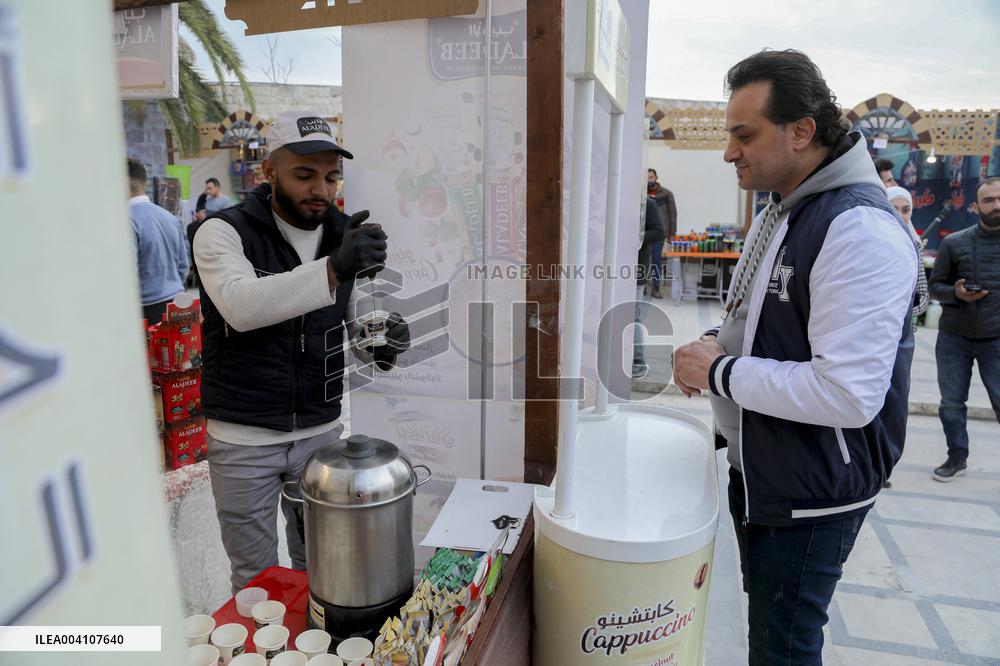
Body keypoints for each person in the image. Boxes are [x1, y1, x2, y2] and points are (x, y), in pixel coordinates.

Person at [672, 49, 917, 665]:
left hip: (814, 490)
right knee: (773, 631)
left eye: (744, 134)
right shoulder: (786, 209)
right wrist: (715, 344)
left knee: (783, 647)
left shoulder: (857, 228)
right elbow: (760, 324)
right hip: (766, 471)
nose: (730, 152)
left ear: (802, 131)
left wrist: (720, 371)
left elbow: (848, 395)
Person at [193, 110, 411, 593]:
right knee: (256, 579)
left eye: (331, 176)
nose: (321, 189)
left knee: (325, 566)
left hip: (321, 431)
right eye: (304, 174)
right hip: (243, 437)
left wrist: (381, 336)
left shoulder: (343, 236)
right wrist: (334, 268)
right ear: (269, 171)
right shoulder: (223, 232)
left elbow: (356, 317)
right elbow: (241, 307)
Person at [927, 177, 1000, 482]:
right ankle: (957, 457)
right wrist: (956, 293)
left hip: (996, 337)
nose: (996, 205)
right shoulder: (954, 242)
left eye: (999, 199)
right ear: (975, 206)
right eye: (988, 200)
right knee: (952, 403)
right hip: (954, 337)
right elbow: (935, 287)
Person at [127, 158, 190, 323]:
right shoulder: (170, 217)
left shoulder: (125, 221)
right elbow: (183, 265)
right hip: (176, 303)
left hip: (144, 311)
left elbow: (128, 276)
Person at [887, 186, 930, 327]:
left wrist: (903, 313)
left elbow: (923, 295)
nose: (900, 215)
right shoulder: (869, 242)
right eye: (894, 208)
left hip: (903, 327)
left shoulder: (914, 247)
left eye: (905, 210)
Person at [633, 196, 665, 379]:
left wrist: (633, 237)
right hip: (609, 268)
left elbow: (659, 232)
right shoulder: (611, 196)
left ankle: (637, 362)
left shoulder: (647, 203)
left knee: (631, 316)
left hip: (637, 269)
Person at [646, 168, 677, 299]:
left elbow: (673, 214)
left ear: (656, 178)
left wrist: (672, 234)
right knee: (643, 261)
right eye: (647, 177)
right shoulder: (641, 193)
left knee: (656, 260)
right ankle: (641, 287)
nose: (649, 180)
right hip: (643, 233)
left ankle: (656, 288)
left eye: (651, 177)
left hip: (659, 233)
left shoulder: (666, 194)